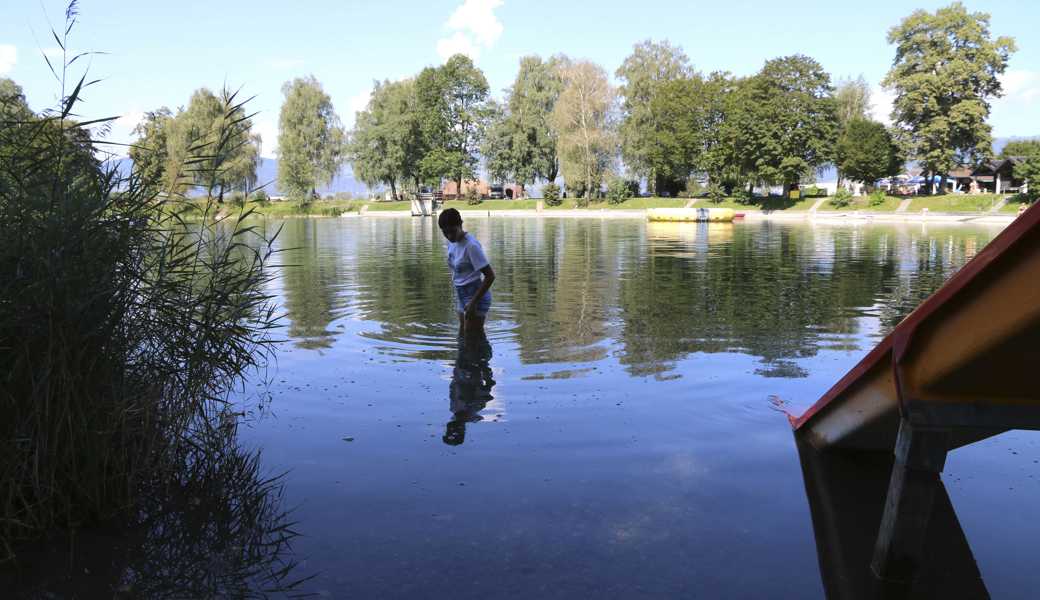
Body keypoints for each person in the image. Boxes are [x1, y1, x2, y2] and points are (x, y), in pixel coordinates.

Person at [438, 208, 495, 339]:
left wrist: (473, 302)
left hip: (475, 295)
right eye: (445, 233)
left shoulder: (471, 246)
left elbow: (490, 276)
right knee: (463, 336)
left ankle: (482, 359)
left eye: (452, 231)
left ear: (460, 224)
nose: (449, 236)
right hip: (461, 293)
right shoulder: (451, 243)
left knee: (472, 339)